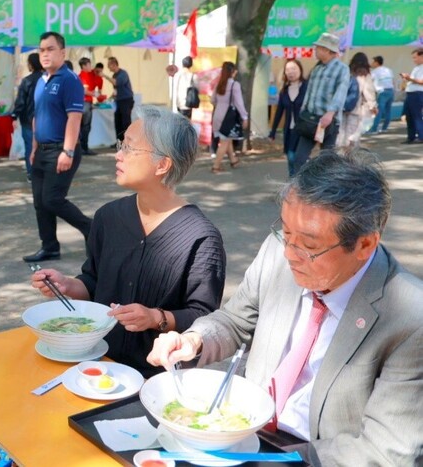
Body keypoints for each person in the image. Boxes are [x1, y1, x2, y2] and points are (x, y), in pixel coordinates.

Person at [147, 149, 422, 466]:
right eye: (286, 232)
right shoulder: (277, 252)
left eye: (309, 245)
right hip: (242, 433)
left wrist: (273, 460)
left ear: (364, 245)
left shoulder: (410, 319)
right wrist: (194, 340)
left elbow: (384, 451)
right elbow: (237, 320)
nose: (290, 253)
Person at [31, 106, 225, 376]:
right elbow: (94, 282)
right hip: (96, 365)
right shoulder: (108, 217)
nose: (117, 154)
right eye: (121, 144)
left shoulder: (201, 237)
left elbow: (204, 318)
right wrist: (67, 285)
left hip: (157, 378)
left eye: (129, 148)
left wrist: (156, 317)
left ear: (163, 164)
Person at [22, 32, 91, 263]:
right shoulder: (41, 81)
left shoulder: (69, 80)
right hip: (42, 150)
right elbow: (36, 117)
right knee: (40, 203)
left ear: (62, 52)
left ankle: (92, 230)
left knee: (52, 199)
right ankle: (49, 246)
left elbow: (74, 118)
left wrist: (68, 151)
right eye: (42, 50)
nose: (45, 54)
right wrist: (33, 148)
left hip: (62, 149)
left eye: (50, 49)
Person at [292, 33, 350, 173]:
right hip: (310, 120)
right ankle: (299, 188)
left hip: (329, 121)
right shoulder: (316, 69)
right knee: (299, 159)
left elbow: (340, 93)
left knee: (327, 161)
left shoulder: (342, 69)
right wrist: (303, 112)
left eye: (318, 47)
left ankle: (325, 191)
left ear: (327, 50)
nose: (315, 50)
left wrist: (330, 114)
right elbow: (309, 93)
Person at [269, 60, 307, 177]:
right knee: (291, 157)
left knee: (299, 158)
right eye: (288, 69)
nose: (291, 72)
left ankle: (301, 183)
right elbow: (279, 112)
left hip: (304, 129)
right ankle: (293, 183)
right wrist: (273, 132)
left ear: (300, 69)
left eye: (294, 68)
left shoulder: (307, 87)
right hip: (290, 130)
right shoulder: (284, 91)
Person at [210, 62, 248, 173]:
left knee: (227, 139)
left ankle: (233, 160)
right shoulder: (234, 85)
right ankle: (216, 166)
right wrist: (244, 116)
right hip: (228, 117)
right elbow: (239, 103)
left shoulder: (219, 84)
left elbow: (213, 100)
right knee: (225, 142)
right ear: (232, 71)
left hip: (217, 115)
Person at [12, 53, 43, 182]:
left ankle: (31, 173)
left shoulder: (27, 81)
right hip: (44, 120)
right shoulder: (47, 79)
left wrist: (14, 116)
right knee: (44, 147)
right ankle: (43, 173)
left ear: (30, 64)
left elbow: (20, 102)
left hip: (28, 120)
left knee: (30, 147)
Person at [337, 52, 376, 149]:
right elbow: (368, 92)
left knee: (341, 132)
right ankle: (350, 158)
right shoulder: (364, 74)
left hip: (342, 107)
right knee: (352, 135)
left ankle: (339, 154)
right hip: (356, 109)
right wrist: (372, 106)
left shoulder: (346, 72)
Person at [78, 57, 104, 156]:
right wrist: (95, 94)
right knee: (85, 126)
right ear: (84, 66)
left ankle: (83, 147)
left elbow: (97, 71)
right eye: (89, 64)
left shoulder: (89, 74)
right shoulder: (82, 76)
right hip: (85, 103)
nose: (90, 66)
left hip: (87, 103)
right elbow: (84, 91)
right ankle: (83, 148)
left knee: (84, 126)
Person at [105, 57, 135, 141]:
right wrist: (110, 98)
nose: (108, 67)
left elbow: (116, 82)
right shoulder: (114, 75)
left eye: (109, 65)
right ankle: (119, 141)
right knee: (117, 122)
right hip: (118, 101)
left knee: (125, 122)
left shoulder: (123, 74)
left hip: (126, 100)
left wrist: (104, 75)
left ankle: (128, 142)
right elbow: (116, 90)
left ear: (114, 65)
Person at [399, 47, 423, 144]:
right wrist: (407, 79)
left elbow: (421, 82)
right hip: (410, 94)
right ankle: (411, 137)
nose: (414, 60)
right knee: (409, 116)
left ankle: (421, 136)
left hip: (417, 94)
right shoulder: (416, 68)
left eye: (415, 57)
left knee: (416, 116)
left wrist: (409, 79)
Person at [367, 56, 394, 134]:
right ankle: (384, 128)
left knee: (378, 111)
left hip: (382, 92)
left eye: (373, 62)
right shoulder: (388, 70)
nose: (371, 64)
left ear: (376, 62)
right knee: (388, 110)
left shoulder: (375, 72)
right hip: (391, 91)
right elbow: (392, 81)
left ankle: (374, 129)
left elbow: (369, 82)